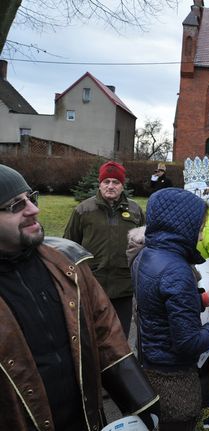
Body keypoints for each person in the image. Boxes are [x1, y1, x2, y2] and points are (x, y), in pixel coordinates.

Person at [0, 164, 159, 431]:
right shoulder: (83, 211)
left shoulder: (67, 263)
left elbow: (105, 334)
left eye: (31, 198)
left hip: (85, 419)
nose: (33, 209)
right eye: (16, 206)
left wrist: (140, 400)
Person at [132, 187, 209, 430]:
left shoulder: (147, 254)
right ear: (180, 226)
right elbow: (188, 343)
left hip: (151, 364)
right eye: (201, 228)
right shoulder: (177, 270)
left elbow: (158, 304)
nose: (201, 237)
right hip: (174, 381)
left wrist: (203, 298)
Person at [64, 160, 145, 337]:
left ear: (122, 186)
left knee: (120, 337)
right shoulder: (83, 210)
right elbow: (68, 245)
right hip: (92, 285)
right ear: (100, 185)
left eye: (115, 182)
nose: (110, 186)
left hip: (124, 286)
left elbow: (145, 248)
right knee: (93, 337)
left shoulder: (136, 211)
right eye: (106, 182)